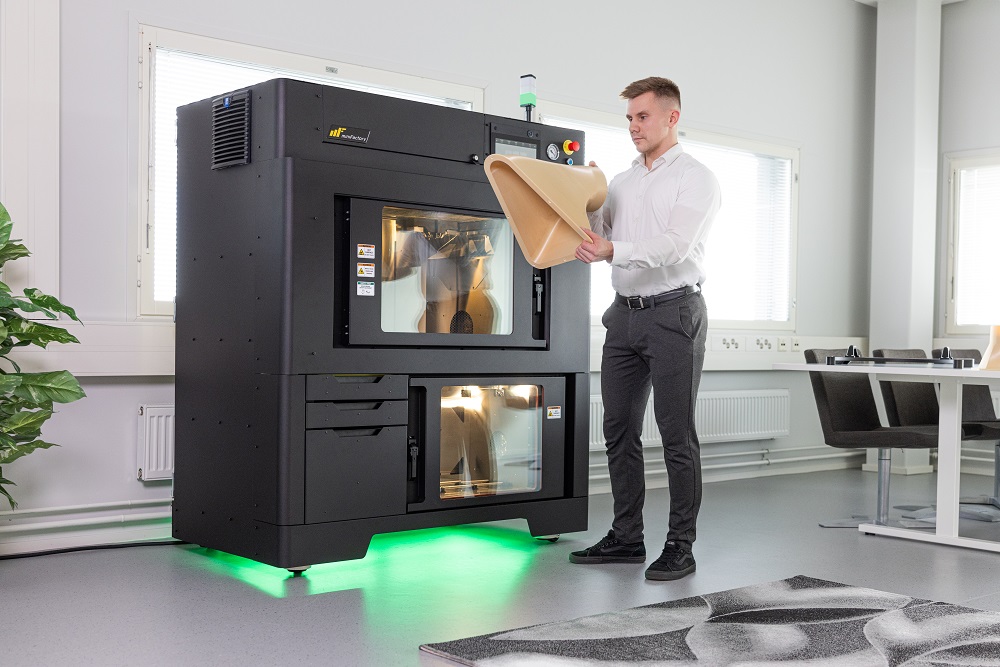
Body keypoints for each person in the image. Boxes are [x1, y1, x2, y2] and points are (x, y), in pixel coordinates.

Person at [569, 76, 721, 581]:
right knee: (618, 427)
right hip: (623, 314)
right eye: (630, 118)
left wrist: (613, 248)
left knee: (676, 433)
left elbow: (676, 245)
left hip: (674, 312)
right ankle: (627, 537)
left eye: (643, 116)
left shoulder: (696, 178)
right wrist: (589, 198)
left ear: (671, 117)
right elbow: (600, 238)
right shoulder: (621, 182)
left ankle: (680, 545)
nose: (634, 126)